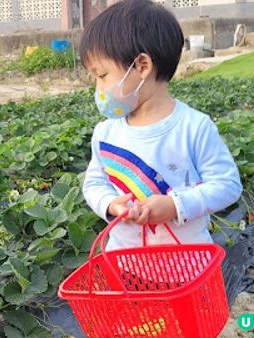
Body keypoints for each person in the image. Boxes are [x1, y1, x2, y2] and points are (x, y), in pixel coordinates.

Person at [81, 0, 242, 250]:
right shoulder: (106, 133)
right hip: (125, 263)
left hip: (186, 267)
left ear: (142, 65)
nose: (99, 89)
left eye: (102, 76)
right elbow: (94, 182)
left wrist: (176, 205)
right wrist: (111, 204)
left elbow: (227, 184)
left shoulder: (193, 128)